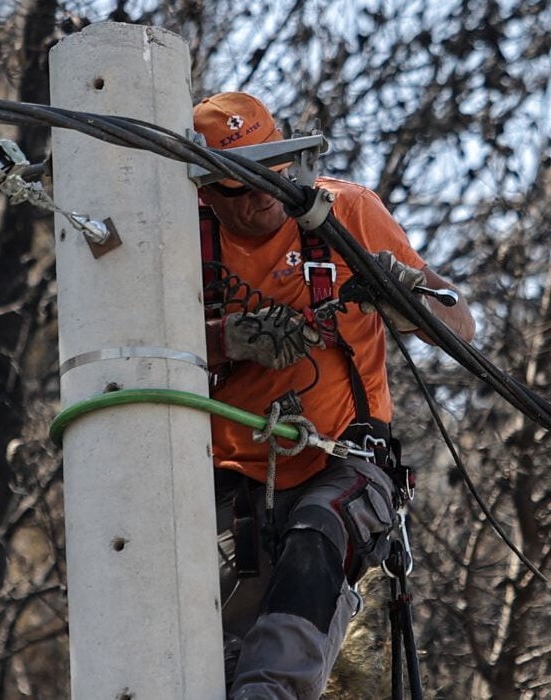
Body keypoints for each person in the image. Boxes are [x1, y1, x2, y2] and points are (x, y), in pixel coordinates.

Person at [194, 92, 476, 700]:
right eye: (240, 187)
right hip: (235, 472)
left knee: (317, 538)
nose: (264, 195)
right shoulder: (182, 241)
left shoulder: (343, 212)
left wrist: (401, 299)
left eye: (273, 172)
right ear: (208, 193)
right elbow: (148, 354)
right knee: (222, 651)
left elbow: (461, 327)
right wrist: (230, 339)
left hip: (343, 458)